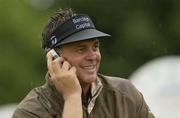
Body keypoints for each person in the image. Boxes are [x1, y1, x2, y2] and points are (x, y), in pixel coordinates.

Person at [12, 8, 155, 118]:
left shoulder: (125, 94)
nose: (93, 56)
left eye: (95, 46)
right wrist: (72, 96)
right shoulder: (30, 112)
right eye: (81, 49)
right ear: (55, 58)